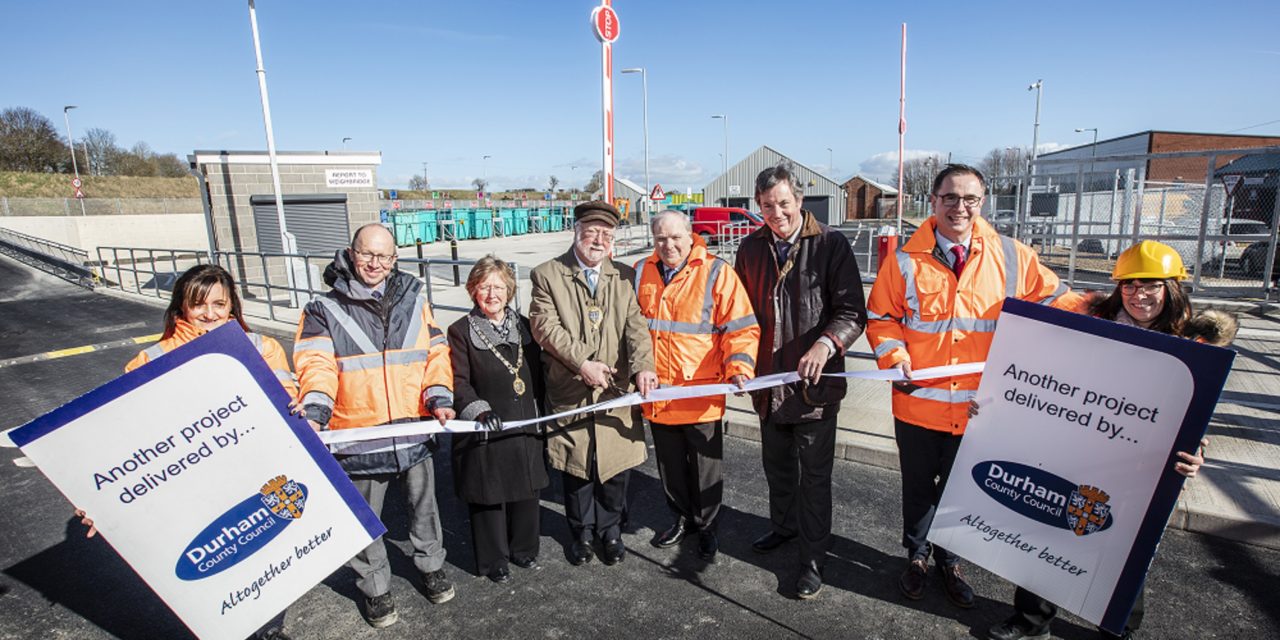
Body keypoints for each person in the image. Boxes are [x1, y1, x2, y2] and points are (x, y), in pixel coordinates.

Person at [865, 163, 1082, 609]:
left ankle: (952, 561)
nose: (959, 208)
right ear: (934, 202)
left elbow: (1062, 302)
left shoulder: (1013, 255)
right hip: (919, 406)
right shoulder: (904, 261)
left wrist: (1121, 315)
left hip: (981, 410)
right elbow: (882, 319)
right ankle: (918, 556)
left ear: (982, 203)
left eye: (970, 200)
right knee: (920, 490)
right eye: (950, 198)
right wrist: (894, 356)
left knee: (964, 491)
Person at [987, 240, 1222, 640]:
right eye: (1130, 285)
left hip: (1139, 466)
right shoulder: (1090, 324)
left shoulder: (1193, 348)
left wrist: (1196, 452)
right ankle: (1031, 621)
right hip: (1074, 449)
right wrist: (999, 404)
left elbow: (1196, 416)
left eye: (1151, 285)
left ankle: (1118, 629)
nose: (1139, 295)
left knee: (1125, 550)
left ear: (1172, 288)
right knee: (1047, 529)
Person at [76, 264, 297, 640]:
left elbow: (286, 405)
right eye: (199, 304)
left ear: (233, 307)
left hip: (251, 476)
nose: (210, 314)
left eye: (219, 304)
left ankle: (269, 630)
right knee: (210, 572)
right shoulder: (149, 361)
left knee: (264, 558)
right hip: (187, 490)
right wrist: (101, 501)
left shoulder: (264, 347)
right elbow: (122, 444)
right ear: (181, 307)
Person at [293, 224, 455, 629]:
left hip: (413, 429)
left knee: (425, 509)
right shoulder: (322, 309)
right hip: (359, 435)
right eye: (367, 255)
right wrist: (316, 410)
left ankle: (431, 565)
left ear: (395, 258)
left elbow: (435, 353)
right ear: (351, 253)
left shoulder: (416, 300)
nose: (375, 264)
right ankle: (375, 588)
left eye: (384, 257)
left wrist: (439, 397)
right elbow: (316, 365)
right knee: (364, 520)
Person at [733, 163, 866, 599]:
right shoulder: (750, 249)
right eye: (768, 205)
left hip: (814, 388)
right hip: (768, 385)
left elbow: (851, 312)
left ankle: (812, 559)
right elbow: (740, 315)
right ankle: (784, 528)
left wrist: (827, 344)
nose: (777, 213)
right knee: (777, 468)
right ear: (758, 206)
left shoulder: (831, 245)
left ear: (799, 201)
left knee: (814, 478)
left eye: (784, 203)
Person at [528, 200, 657, 567]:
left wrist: (644, 366)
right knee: (577, 466)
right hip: (571, 388)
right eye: (592, 231)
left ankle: (611, 531)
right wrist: (582, 362)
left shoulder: (624, 276)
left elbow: (636, 329)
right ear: (576, 232)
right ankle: (582, 533)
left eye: (607, 234)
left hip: (614, 389)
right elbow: (545, 327)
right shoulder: (546, 275)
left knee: (616, 465)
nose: (598, 240)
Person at [633, 211, 760, 563]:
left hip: (700, 393)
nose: (668, 245)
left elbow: (741, 328)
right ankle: (680, 519)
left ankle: (707, 527)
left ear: (691, 236)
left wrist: (739, 366)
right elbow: (634, 329)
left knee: (705, 468)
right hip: (659, 393)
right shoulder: (643, 271)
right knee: (670, 467)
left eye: (675, 237)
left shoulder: (716, 271)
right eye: (660, 238)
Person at [447, 256, 548, 584]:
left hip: (523, 423)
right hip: (486, 427)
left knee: (525, 488)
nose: (492, 294)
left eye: (499, 287)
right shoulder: (459, 332)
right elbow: (457, 382)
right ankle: (494, 561)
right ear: (472, 290)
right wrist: (478, 409)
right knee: (489, 495)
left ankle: (524, 548)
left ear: (510, 290)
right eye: (484, 287)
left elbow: (539, 373)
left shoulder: (524, 326)